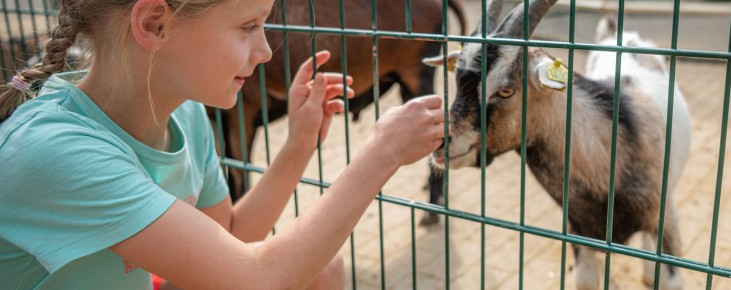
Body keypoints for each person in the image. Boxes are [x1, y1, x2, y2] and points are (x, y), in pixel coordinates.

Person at [0, 0, 445, 289]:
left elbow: (229, 233)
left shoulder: (185, 113)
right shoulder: (55, 150)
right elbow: (256, 278)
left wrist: (299, 143)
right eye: (248, 26)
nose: (266, 50)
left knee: (322, 272)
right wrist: (380, 153)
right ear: (155, 24)